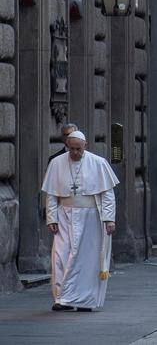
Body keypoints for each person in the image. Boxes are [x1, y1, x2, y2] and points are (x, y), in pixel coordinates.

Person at [41, 130, 119, 311]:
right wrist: (51, 217)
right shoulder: (57, 163)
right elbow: (52, 194)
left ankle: (85, 301)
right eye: (71, 149)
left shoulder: (98, 163)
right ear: (67, 146)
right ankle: (61, 299)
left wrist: (109, 219)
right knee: (60, 256)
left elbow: (107, 195)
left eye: (78, 149)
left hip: (90, 218)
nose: (75, 153)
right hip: (65, 216)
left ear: (85, 146)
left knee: (87, 260)